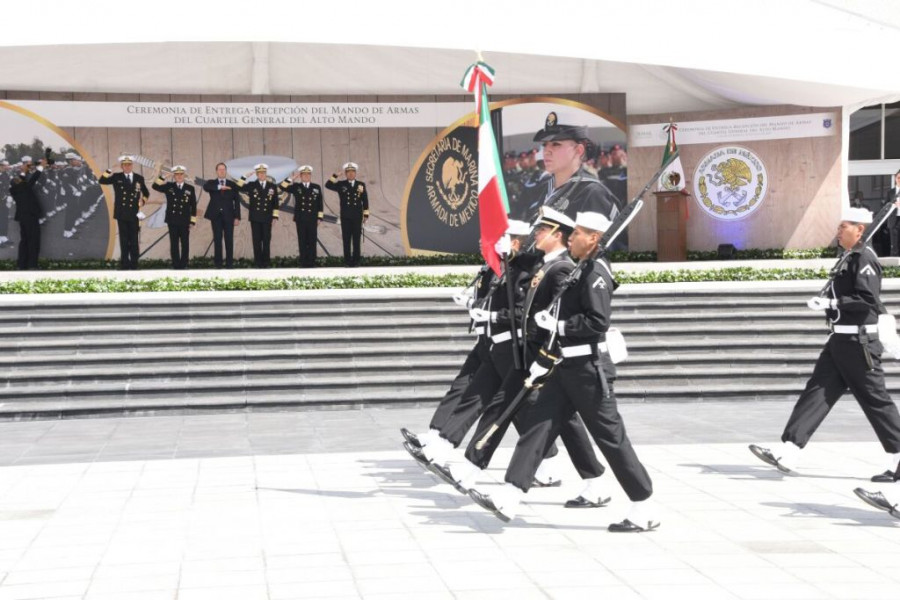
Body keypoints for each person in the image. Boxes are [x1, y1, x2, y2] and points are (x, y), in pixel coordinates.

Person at [467, 211, 659, 532]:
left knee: (610, 438)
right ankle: (511, 494)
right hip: (563, 364)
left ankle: (643, 504)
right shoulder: (578, 268)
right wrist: (546, 355)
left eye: (578, 233)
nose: (571, 237)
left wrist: (558, 324)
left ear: (594, 238)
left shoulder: (595, 272)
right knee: (538, 428)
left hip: (589, 368)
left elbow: (598, 321)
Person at [431, 208, 609, 503]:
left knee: (565, 422)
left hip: (546, 355)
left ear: (557, 235)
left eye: (541, 230)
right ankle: (470, 469)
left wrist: (548, 339)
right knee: (501, 406)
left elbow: (562, 314)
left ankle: (595, 480)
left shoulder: (563, 267)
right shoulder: (547, 264)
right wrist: (501, 250)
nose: (534, 235)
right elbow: (520, 264)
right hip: (525, 352)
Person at [749, 207, 900, 482]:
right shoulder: (848, 256)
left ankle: (898, 457)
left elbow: (867, 300)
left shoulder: (864, 258)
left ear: (860, 230)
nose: (839, 231)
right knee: (817, 393)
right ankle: (789, 450)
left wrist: (831, 303)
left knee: (875, 401)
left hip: (859, 342)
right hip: (840, 340)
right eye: (839, 226)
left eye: (844, 226)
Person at [513, 111, 619, 225]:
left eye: (556, 144)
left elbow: (612, 241)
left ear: (579, 150)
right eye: (545, 144)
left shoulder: (592, 193)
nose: (546, 151)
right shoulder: (546, 187)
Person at [99, 155, 150, 270]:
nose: (127, 167)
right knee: (124, 239)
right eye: (125, 165)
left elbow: (146, 192)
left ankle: (134, 264)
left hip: (134, 213)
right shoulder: (117, 176)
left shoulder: (139, 178)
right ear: (121, 166)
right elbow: (102, 180)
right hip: (121, 213)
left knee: (134, 239)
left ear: (132, 165)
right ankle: (124, 264)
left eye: (129, 164)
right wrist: (110, 170)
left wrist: (143, 200)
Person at [151, 165, 197, 270]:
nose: (179, 176)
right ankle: (176, 264)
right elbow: (155, 186)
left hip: (185, 220)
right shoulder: (169, 186)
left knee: (185, 243)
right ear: (174, 176)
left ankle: (184, 264)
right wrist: (163, 177)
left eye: (181, 174)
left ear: (184, 175)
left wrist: (192, 221)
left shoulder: (190, 188)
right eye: (177, 174)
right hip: (172, 219)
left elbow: (193, 205)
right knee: (174, 243)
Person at [236, 163, 281, 268]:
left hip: (267, 217)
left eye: (263, 173)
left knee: (266, 240)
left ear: (266, 174)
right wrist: (244, 177)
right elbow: (238, 187)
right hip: (255, 217)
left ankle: (266, 262)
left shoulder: (272, 186)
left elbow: (275, 202)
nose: (262, 175)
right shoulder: (252, 185)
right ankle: (257, 263)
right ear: (256, 174)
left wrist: (275, 217)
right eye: (259, 173)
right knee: (256, 240)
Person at [325, 162, 369, 267]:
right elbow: (328, 185)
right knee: (346, 239)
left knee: (356, 240)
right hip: (345, 216)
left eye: (352, 172)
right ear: (345, 173)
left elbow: (365, 200)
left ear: (355, 173)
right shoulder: (341, 184)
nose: (350, 174)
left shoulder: (361, 185)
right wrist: (335, 176)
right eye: (348, 172)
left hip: (357, 216)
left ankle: (356, 261)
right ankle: (347, 262)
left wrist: (366, 215)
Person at [280, 165, 323, 268]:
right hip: (301, 218)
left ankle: (312, 262)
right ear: (301, 176)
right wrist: (292, 178)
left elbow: (319, 203)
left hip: (312, 218)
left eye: (308, 174)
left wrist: (319, 217)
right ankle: (304, 262)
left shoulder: (316, 187)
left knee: (312, 240)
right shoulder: (296, 187)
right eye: (304, 174)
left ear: (311, 175)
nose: (306, 176)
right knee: (302, 240)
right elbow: (282, 187)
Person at [202, 162, 241, 269]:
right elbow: (206, 187)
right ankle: (218, 264)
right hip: (216, 216)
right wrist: (220, 187)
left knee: (229, 240)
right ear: (216, 171)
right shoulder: (212, 183)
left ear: (226, 171)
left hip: (229, 216)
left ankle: (229, 264)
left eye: (223, 169)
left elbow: (237, 201)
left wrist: (237, 217)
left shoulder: (232, 184)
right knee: (217, 239)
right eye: (220, 169)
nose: (222, 171)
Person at [9, 156, 45, 269]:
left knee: (24, 241)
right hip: (30, 217)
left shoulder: (16, 189)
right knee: (33, 241)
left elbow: (22, 180)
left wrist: (24, 171)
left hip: (23, 218)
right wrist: (41, 167)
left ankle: (21, 264)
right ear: (19, 183)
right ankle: (32, 265)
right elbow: (33, 178)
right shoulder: (24, 187)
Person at [887, 171, 900, 256]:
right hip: (894, 221)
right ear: (895, 179)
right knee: (894, 245)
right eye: (898, 178)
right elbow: (885, 206)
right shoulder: (890, 192)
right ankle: (895, 268)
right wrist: (893, 205)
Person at [0, 159, 12, 248]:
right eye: (5, 165)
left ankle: (3, 237)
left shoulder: (6, 175)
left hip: (5, 201)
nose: (7, 167)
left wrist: (10, 196)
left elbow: (8, 186)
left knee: (4, 218)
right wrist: (4, 197)